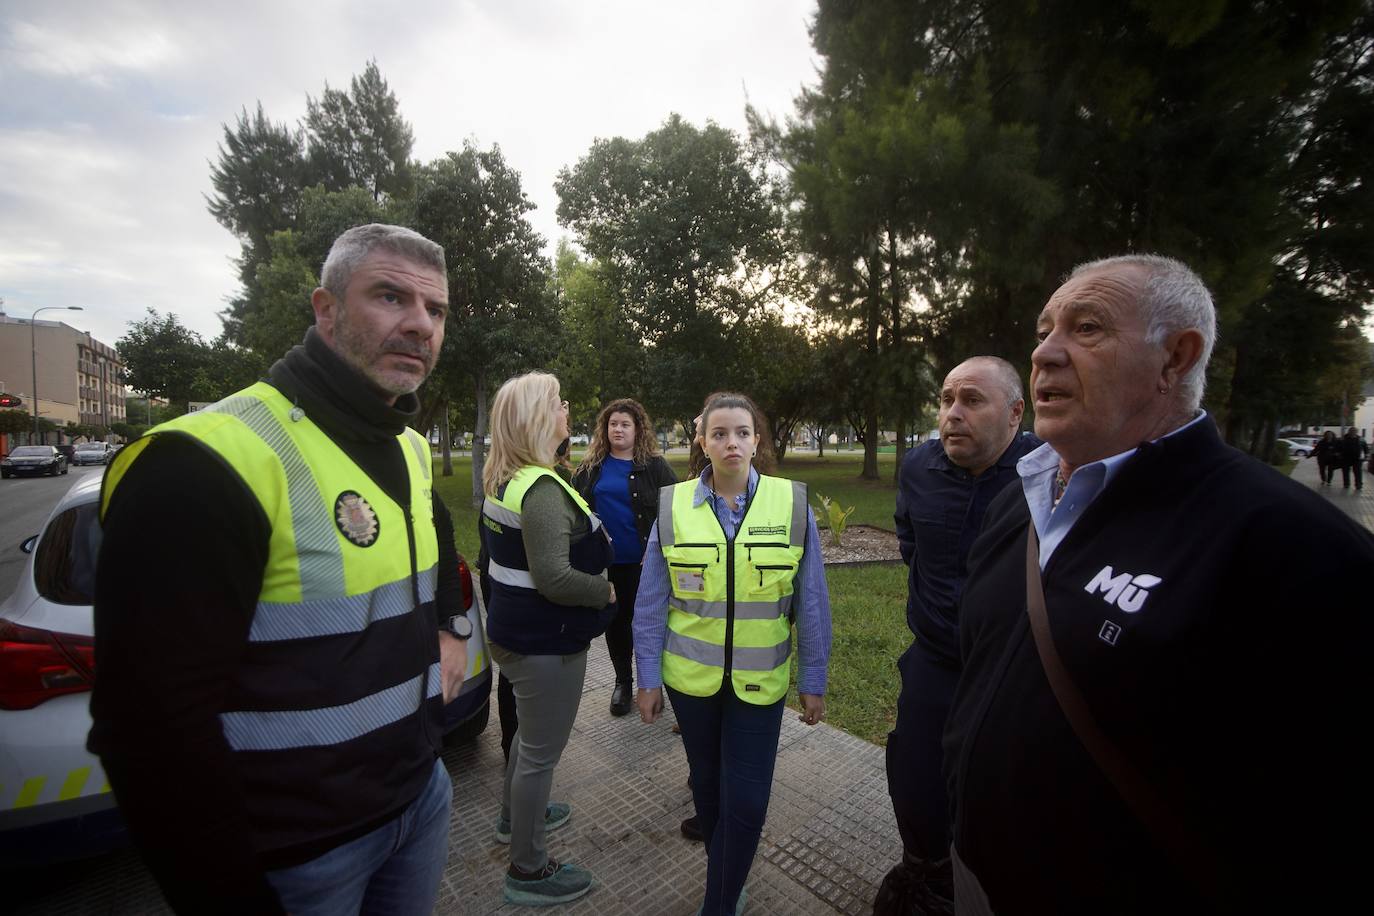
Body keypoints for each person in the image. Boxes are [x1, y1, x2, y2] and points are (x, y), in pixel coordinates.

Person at [944, 254, 1374, 914]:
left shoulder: (1296, 548)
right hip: (974, 879)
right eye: (1043, 330)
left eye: (1087, 329)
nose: (1045, 355)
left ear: (1176, 358)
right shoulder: (1016, 500)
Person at [90, 224, 469, 915]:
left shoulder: (409, 449)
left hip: (420, 802)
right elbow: (149, 732)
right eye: (390, 296)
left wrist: (455, 625)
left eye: (435, 310)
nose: (419, 325)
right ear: (325, 310)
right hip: (299, 857)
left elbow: (436, 542)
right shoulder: (203, 465)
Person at [635, 391, 833, 916]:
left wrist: (813, 679)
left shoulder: (791, 506)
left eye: (741, 433)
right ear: (702, 442)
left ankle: (718, 902)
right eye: (719, 433)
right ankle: (730, 878)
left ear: (756, 439)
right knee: (708, 789)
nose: (731, 443)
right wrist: (647, 678)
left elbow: (811, 602)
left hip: (758, 685)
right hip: (690, 684)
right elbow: (652, 603)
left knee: (746, 802)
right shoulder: (673, 506)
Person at [875, 357, 1039, 915]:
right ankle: (925, 879)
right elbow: (910, 542)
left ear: (1016, 413)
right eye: (946, 399)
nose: (952, 414)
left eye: (972, 400)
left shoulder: (1049, 474)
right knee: (916, 779)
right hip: (936, 660)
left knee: (1001, 799)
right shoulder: (918, 468)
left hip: (1015, 674)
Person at [480, 371, 616, 907]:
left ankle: (515, 817)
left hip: (518, 635)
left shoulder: (508, 477)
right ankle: (528, 869)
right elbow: (555, 578)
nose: (567, 411)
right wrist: (603, 591)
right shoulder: (538, 490)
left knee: (528, 744)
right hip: (544, 643)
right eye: (559, 404)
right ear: (539, 419)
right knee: (540, 753)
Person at [572, 398, 679, 715]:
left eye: (625, 424)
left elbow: (676, 510)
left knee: (650, 622)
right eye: (613, 424)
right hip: (608, 565)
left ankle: (655, 684)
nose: (618, 429)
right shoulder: (590, 469)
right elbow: (576, 511)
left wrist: (660, 546)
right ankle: (623, 683)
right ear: (605, 429)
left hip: (647, 565)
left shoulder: (655, 467)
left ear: (638, 429)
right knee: (616, 624)